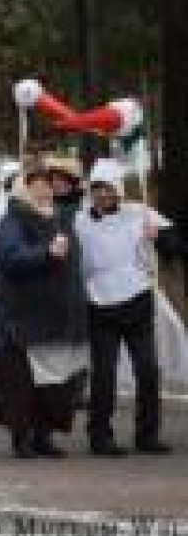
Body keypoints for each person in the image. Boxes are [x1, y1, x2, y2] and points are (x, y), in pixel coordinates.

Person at [0, 168, 89, 459]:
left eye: (48, 186)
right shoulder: (14, 220)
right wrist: (45, 253)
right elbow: (9, 258)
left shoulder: (62, 219)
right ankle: (23, 437)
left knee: (56, 382)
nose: (45, 191)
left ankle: (45, 435)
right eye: (37, 187)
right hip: (25, 316)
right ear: (25, 191)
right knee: (24, 382)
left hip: (59, 315)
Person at [75, 158, 176, 456]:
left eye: (110, 189)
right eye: (98, 189)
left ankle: (148, 434)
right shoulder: (79, 220)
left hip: (137, 298)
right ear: (91, 192)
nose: (104, 195)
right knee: (104, 374)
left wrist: (160, 238)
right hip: (98, 302)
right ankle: (100, 435)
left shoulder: (140, 213)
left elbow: (176, 242)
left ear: (120, 191)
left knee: (147, 369)